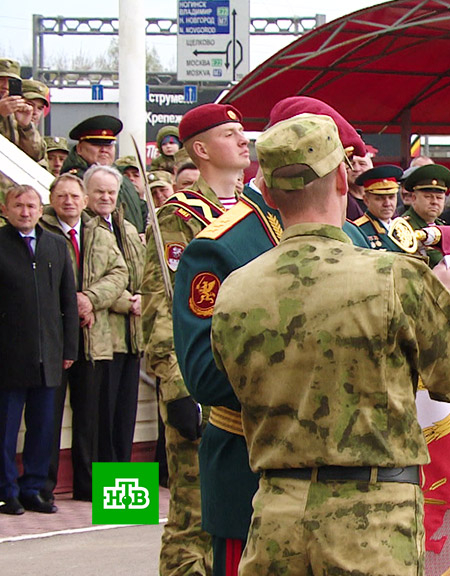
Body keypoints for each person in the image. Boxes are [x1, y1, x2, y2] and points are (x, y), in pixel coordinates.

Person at [209, 112, 450, 575]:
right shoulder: (394, 277)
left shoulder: (236, 289)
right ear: (344, 178)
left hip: (275, 518)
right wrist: (449, 300)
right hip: (373, 522)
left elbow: (233, 382)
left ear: (271, 192)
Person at [174, 97, 371, 576]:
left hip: (346, 470)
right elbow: (204, 374)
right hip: (251, 468)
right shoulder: (221, 246)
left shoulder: (356, 238)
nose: (340, 177)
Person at [142, 103, 252, 575]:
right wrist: (179, 388)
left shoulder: (256, 212)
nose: (244, 139)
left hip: (248, 384)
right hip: (202, 379)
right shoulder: (181, 217)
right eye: (230, 133)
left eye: (242, 131)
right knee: (195, 517)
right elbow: (162, 308)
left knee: (243, 515)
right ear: (202, 150)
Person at [40, 174, 128, 502]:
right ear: (52, 199)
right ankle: (43, 487)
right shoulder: (43, 232)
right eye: (62, 196)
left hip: (94, 339)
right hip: (53, 338)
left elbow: (120, 274)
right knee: (48, 415)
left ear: (84, 201)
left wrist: (90, 298)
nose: (69, 202)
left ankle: (88, 488)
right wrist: (71, 304)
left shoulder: (99, 233)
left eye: (75, 196)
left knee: (90, 417)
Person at [0, 185, 77, 516]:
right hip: (7, 357)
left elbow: (68, 300)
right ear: (5, 209)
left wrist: (69, 347)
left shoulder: (55, 245)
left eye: (32, 205)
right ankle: (6, 491)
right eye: (18, 205)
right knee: (4, 430)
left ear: (40, 208)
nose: (26, 211)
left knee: (43, 427)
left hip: (49, 355)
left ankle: (33, 488)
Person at [83, 165, 146, 464]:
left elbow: (143, 272)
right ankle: (106, 488)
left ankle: (123, 484)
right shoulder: (85, 229)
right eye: (99, 191)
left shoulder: (128, 228)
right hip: (103, 337)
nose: (106, 197)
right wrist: (127, 302)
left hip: (133, 337)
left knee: (125, 418)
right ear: (87, 194)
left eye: (111, 191)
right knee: (102, 419)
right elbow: (90, 280)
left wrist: (143, 298)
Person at [61, 115, 148, 232]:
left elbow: (140, 209)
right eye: (96, 144)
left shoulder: (123, 178)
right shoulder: (74, 182)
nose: (104, 149)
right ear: (80, 149)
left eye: (108, 144)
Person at [400, 163, 450, 267]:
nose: (434, 202)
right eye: (428, 197)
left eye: (439, 198)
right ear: (414, 198)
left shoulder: (442, 226)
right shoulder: (404, 228)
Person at [352, 165, 407, 251]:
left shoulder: (401, 227)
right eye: (379, 198)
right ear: (366, 200)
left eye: (391, 197)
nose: (387, 203)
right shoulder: (358, 230)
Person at [0, 58, 44, 162]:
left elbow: (36, 155)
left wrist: (26, 127)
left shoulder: (14, 113)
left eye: (11, 82)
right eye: (1, 80)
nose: (5, 86)